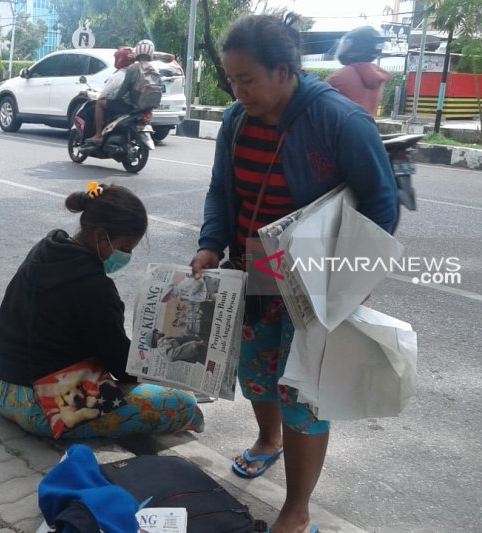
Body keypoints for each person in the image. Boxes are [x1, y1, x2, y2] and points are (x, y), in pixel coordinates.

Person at [189, 13, 397, 533]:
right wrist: (211, 243)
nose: (238, 92)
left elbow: (382, 204)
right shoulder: (236, 122)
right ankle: (268, 439)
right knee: (256, 373)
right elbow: (221, 191)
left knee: (303, 394)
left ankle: (297, 510)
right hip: (255, 273)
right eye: (231, 81)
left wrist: (346, 279)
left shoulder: (340, 121)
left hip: (314, 283)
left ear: (285, 71)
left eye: (247, 80)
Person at [0, 182, 203, 439]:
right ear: (101, 237)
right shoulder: (94, 286)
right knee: (184, 402)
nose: (126, 256)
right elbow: (123, 368)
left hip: (0, 386)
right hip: (40, 406)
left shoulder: (49, 248)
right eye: (125, 248)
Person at [86, 40, 159, 145]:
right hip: (147, 107)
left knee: (100, 103)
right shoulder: (155, 70)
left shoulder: (132, 69)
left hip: (130, 105)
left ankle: (98, 135)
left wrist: (113, 98)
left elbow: (124, 89)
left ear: (137, 52)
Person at [326, 26, 391, 116]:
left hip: (342, 128)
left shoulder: (342, 76)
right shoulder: (375, 74)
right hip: (367, 126)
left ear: (355, 47)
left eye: (347, 44)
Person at [82, 47, 134, 141]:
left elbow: (103, 95)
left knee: (97, 105)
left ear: (120, 59)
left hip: (122, 104)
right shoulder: (135, 72)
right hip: (133, 105)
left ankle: (98, 135)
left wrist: (90, 94)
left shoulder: (119, 75)